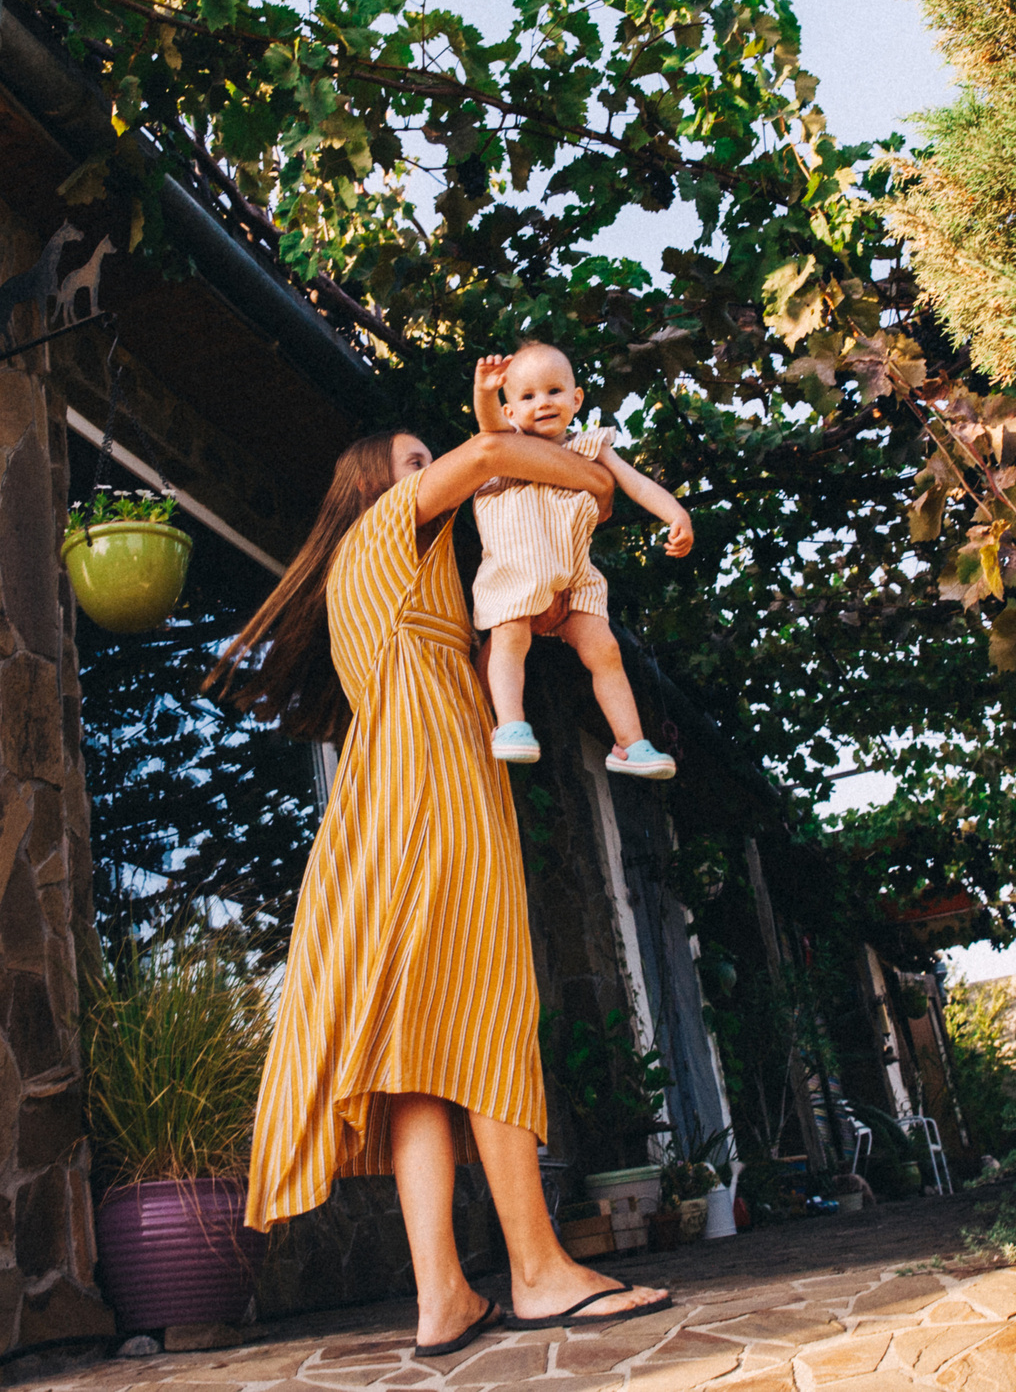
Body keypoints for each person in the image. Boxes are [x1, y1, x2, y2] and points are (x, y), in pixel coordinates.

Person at [208, 429, 675, 1354]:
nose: (438, 475)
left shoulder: (385, 579)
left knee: (419, 1054)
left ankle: (443, 1297)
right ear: (378, 482)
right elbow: (494, 451)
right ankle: (539, 1270)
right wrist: (591, 473)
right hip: (435, 795)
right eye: (419, 460)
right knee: (488, 1006)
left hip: (385, 812)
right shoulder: (383, 528)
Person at [469, 343, 693, 776]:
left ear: (576, 400)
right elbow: (488, 427)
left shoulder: (591, 447)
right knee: (511, 639)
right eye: (528, 396)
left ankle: (631, 744)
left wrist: (676, 514)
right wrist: (484, 393)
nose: (544, 402)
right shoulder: (509, 444)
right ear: (511, 410)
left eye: (554, 391)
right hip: (517, 572)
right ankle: (511, 723)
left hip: (573, 578)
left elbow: (637, 484)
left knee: (606, 651)